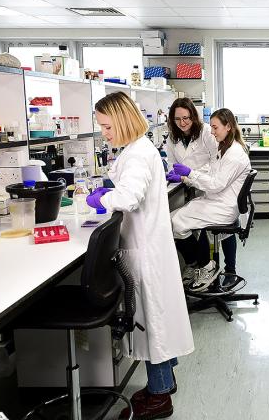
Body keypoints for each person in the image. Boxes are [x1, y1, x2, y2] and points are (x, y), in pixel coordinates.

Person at [87, 91, 194, 419]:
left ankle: (160, 397)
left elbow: (130, 197)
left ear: (121, 121)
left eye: (107, 127)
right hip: (148, 245)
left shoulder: (137, 153)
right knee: (157, 321)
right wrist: (111, 190)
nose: (105, 133)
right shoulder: (140, 148)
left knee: (153, 325)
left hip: (145, 250)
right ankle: (163, 383)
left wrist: (103, 200)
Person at [169, 108, 251, 293]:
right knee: (174, 219)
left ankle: (206, 266)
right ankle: (201, 265)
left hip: (223, 206)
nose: (212, 132)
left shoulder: (235, 154)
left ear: (228, 126)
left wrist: (190, 173)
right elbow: (211, 172)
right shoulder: (224, 148)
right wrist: (185, 178)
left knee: (176, 222)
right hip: (216, 200)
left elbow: (215, 184)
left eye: (215, 128)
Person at [164, 97, 218, 171]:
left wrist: (192, 175)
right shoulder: (172, 137)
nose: (182, 123)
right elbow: (171, 162)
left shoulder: (206, 131)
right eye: (177, 119)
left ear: (193, 116)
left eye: (185, 118)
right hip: (182, 180)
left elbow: (216, 159)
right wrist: (173, 173)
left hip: (206, 179)